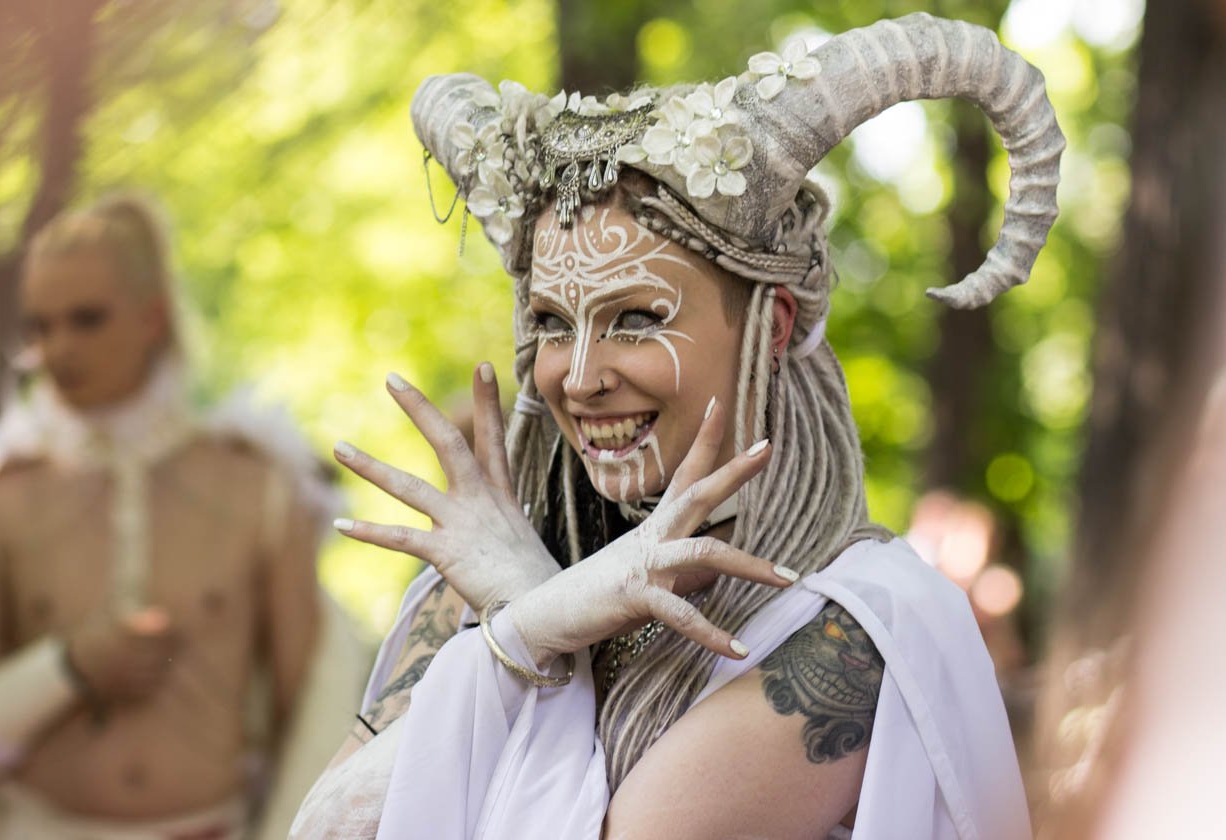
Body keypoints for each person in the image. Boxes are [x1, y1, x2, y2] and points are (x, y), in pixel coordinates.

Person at [293, 12, 1064, 839]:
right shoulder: (468, 585)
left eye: (636, 317)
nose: (581, 378)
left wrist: (526, 618)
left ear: (769, 325)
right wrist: (535, 609)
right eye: (553, 323)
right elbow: (324, 828)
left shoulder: (859, 633)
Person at [0, 194, 362, 839]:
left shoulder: (255, 484)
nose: (58, 349)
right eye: (39, 327)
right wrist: (68, 668)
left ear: (152, 318)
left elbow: (316, 716)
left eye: (86, 318)